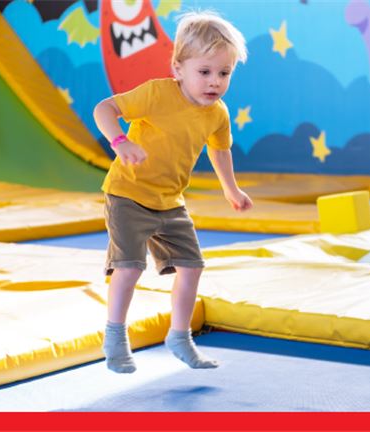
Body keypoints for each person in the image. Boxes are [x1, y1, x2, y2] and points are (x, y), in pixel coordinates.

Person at [92, 11, 252, 373]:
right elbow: (105, 109)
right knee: (129, 267)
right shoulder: (157, 94)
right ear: (178, 68)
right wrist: (120, 142)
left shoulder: (217, 113)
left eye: (224, 73)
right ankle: (115, 337)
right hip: (128, 194)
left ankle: (179, 337)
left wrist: (231, 189)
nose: (214, 82)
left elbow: (220, 150)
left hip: (170, 202)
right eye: (204, 72)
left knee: (192, 267)